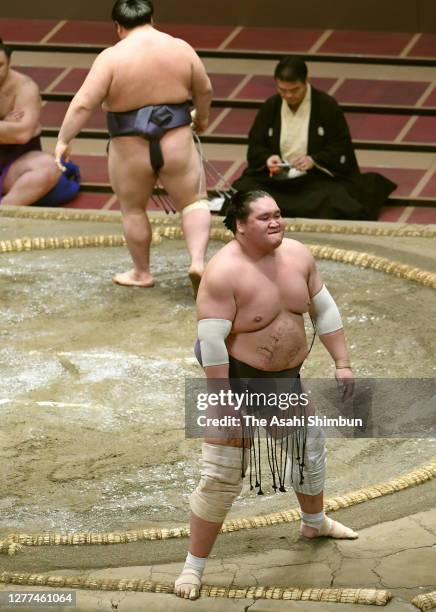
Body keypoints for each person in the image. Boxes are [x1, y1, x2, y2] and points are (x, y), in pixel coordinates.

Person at [175, 190, 358, 600]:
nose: (275, 222)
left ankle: (314, 522)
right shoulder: (223, 272)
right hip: (237, 379)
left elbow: (324, 310)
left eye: (278, 214)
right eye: (264, 217)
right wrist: (221, 399)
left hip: (285, 379)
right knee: (221, 475)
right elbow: (212, 342)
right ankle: (193, 566)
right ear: (240, 225)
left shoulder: (298, 255)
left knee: (308, 450)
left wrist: (341, 362)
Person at [55, 0, 213, 293]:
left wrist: (64, 139)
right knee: (194, 202)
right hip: (176, 141)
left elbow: (83, 104)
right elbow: (204, 89)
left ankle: (141, 272)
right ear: (152, 18)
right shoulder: (180, 47)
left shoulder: (111, 58)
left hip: (130, 149)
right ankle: (198, 261)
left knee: (133, 210)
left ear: (118, 27)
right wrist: (202, 118)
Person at [232, 56, 396, 221]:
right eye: (282, 90)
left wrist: (314, 160)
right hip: (277, 180)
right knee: (242, 191)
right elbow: (255, 146)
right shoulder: (271, 106)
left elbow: (341, 145)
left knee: (335, 199)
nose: (288, 95)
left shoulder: (326, 105)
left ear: (306, 81)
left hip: (314, 179)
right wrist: (268, 159)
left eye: (294, 90)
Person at [0, 39, 79, 207]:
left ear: (8, 62)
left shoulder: (24, 88)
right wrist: (6, 127)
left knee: (48, 167)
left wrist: (10, 131)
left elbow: (21, 134)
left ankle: (4, 211)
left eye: (0, 65)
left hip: (13, 165)